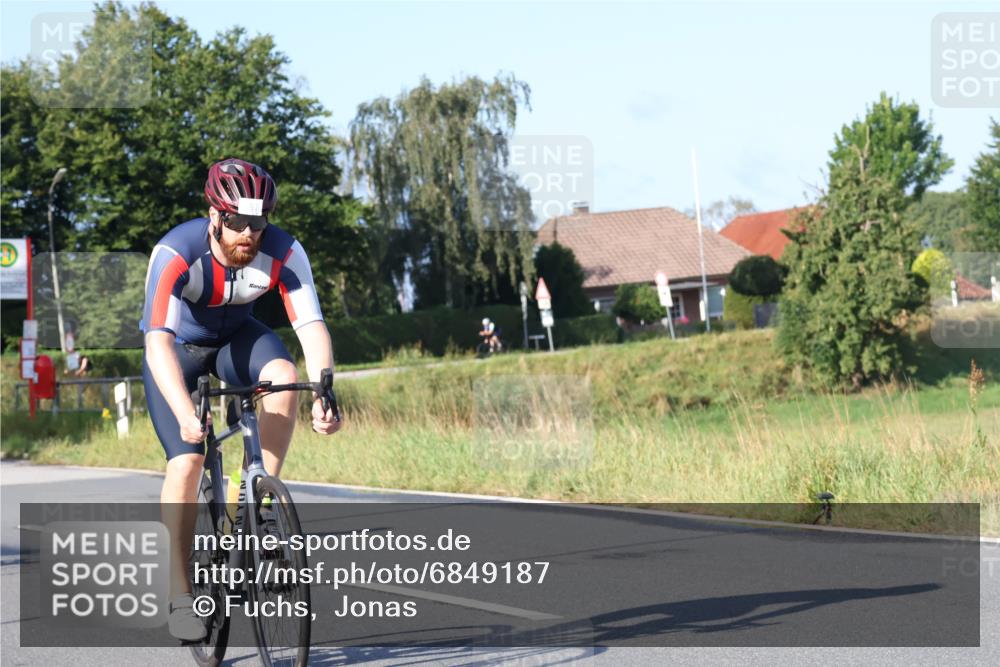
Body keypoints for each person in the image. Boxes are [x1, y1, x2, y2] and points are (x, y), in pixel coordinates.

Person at [141, 158, 341, 641]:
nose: (248, 233)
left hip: (236, 341)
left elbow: (311, 325)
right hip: (178, 352)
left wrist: (325, 389)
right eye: (236, 221)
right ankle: (179, 593)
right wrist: (186, 413)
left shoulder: (284, 251)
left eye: (259, 221)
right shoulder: (175, 253)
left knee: (285, 376)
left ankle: (256, 503)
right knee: (187, 462)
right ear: (215, 215)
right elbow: (157, 344)